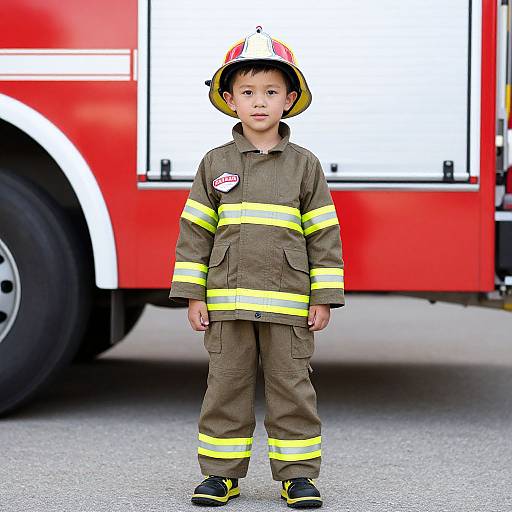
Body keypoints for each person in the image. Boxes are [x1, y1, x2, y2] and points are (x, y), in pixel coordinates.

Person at [169, 26, 345, 508]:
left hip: (290, 306)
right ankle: (220, 475)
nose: (260, 102)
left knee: (292, 387)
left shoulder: (305, 166)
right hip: (226, 304)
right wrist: (193, 294)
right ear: (230, 99)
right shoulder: (214, 163)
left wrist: (324, 298)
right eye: (248, 92)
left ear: (290, 99)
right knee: (226, 386)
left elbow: (324, 235)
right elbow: (195, 233)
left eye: (271, 91)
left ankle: (298, 476)